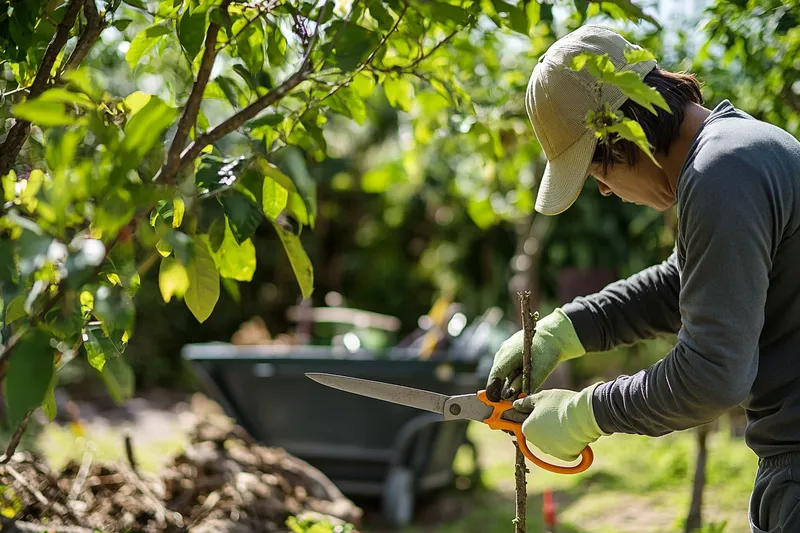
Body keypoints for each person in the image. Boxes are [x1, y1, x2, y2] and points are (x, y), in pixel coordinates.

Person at [486, 24, 800, 533]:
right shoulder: (738, 150)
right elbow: (684, 285)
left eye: (596, 171)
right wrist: (563, 330)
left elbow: (712, 375)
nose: (605, 192)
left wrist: (585, 414)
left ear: (621, 134)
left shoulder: (722, 172)